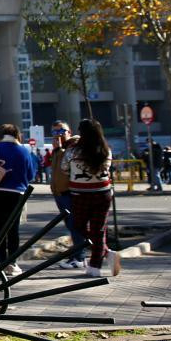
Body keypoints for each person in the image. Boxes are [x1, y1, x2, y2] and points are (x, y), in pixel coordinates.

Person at [56, 119, 118, 278]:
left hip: (80, 193)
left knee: (78, 226)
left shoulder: (73, 151)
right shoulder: (106, 150)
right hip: (103, 193)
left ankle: (104, 253)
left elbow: (64, 169)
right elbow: (108, 168)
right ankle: (95, 266)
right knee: (99, 229)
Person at [0, 123, 37, 276]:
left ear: (1, 134)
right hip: (17, 193)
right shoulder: (24, 150)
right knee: (13, 229)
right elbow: (30, 174)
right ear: (17, 134)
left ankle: (2, 260)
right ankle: (13, 262)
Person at [49, 121, 86, 269]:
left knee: (75, 226)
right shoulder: (59, 149)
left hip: (70, 192)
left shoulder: (73, 145)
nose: (58, 135)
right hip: (60, 192)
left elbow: (69, 164)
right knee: (71, 226)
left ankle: (80, 257)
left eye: (61, 131)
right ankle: (76, 254)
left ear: (69, 131)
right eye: (54, 132)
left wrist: (58, 150)